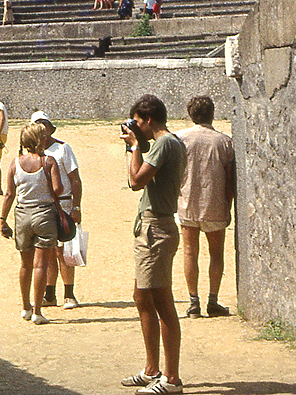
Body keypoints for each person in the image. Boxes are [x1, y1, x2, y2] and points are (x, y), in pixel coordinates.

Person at [120, 94, 186, 395]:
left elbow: (136, 182)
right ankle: (152, 370)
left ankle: (171, 379)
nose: (136, 127)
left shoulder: (164, 144)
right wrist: (135, 145)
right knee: (141, 296)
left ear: (148, 119)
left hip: (156, 229)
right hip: (152, 226)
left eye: (137, 122)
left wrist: (134, 147)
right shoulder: (169, 143)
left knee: (161, 301)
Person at [176, 95, 234, 318]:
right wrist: (228, 206)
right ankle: (213, 300)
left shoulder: (179, 139)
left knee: (190, 252)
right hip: (215, 203)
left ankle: (193, 302)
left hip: (188, 202)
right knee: (216, 253)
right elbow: (229, 181)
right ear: (212, 113)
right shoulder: (224, 141)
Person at [0, 123, 63, 324]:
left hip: (22, 215)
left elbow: (9, 194)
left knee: (25, 264)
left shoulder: (14, 163)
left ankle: (25, 307)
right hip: (44, 214)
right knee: (40, 265)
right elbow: (58, 189)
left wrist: (2, 219)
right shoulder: (48, 161)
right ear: (39, 140)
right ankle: (37, 311)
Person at [30, 111, 83, 310]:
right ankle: (50, 294)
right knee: (48, 252)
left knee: (63, 252)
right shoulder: (31, 152)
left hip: (63, 204)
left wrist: (76, 206)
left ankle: (69, 294)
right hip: (43, 206)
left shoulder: (63, 149)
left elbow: (75, 179)